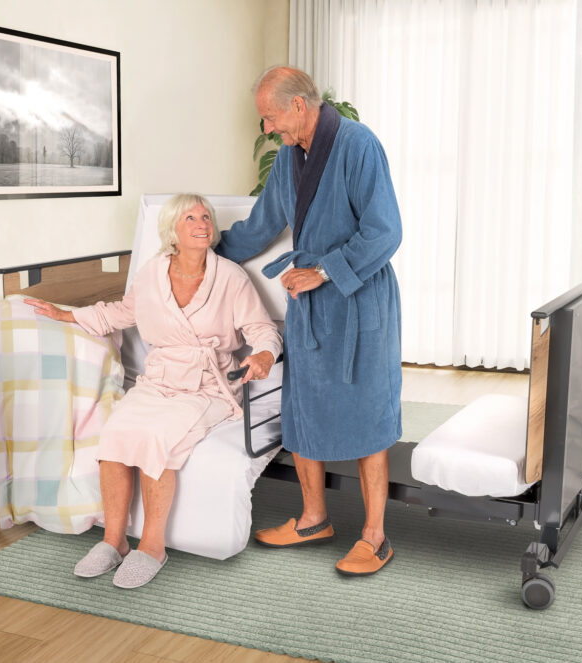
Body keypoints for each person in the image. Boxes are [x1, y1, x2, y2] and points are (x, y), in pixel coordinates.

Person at [26, 193, 281, 589]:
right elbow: (121, 313)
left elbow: (262, 329)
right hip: (159, 380)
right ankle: (113, 541)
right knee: (114, 436)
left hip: (206, 385)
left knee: (157, 439)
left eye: (206, 217)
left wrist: (264, 354)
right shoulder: (151, 274)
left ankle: (152, 546)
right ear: (172, 230)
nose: (202, 223)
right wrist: (68, 315)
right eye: (190, 218)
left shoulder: (231, 277)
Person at [216, 66, 402, 576]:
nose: (267, 128)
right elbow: (259, 226)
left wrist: (323, 271)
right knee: (302, 409)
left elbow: (385, 232)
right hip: (310, 305)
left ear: (298, 105)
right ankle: (314, 518)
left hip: (357, 298)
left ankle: (375, 536)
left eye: (270, 117)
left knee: (368, 414)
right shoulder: (288, 160)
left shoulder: (358, 145)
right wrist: (206, 254)